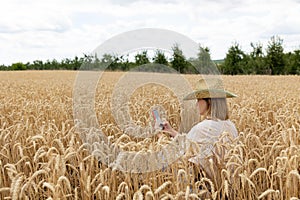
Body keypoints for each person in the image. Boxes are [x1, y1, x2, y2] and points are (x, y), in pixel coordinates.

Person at [162, 77, 238, 187]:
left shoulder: (202, 128)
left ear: (209, 101)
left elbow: (183, 156)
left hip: (204, 189)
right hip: (225, 186)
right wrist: (171, 131)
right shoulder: (230, 125)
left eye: (199, 100)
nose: (196, 104)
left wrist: (161, 138)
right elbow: (193, 142)